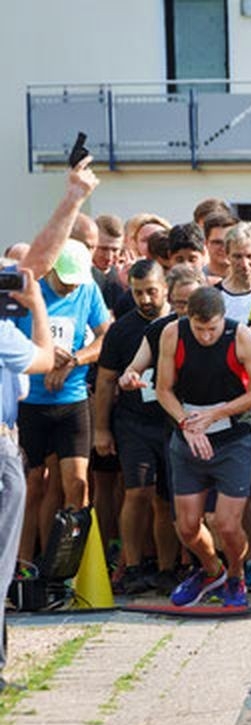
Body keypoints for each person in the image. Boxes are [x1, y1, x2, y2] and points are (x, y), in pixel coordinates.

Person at [2, 159, 98, 691]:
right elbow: (33, 274)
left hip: (33, 421)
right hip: (13, 432)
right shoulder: (10, 326)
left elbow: (32, 266)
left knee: (70, 486)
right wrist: (75, 198)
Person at [156, 287, 251, 607]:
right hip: (190, 433)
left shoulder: (240, 335)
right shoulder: (172, 333)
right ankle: (212, 571)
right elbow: (163, 390)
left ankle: (236, 575)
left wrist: (215, 415)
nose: (206, 336)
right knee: (187, 525)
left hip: (233, 435)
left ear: (224, 320)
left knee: (226, 523)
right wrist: (186, 424)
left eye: (212, 328)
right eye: (199, 328)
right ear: (188, 319)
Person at [17, 239, 111, 564]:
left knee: (78, 486)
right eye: (65, 281)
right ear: (51, 270)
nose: (70, 288)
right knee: (32, 485)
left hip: (72, 400)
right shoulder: (31, 293)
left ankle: (65, 568)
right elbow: (10, 342)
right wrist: (43, 356)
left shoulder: (87, 290)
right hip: (30, 402)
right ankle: (22, 565)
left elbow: (106, 335)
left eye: (75, 282)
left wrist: (75, 359)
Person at [94, 259, 176, 594]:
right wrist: (101, 429)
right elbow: (105, 381)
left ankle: (168, 568)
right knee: (137, 492)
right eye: (138, 292)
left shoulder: (180, 323)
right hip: (133, 423)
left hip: (173, 423)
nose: (145, 299)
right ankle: (133, 566)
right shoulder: (122, 329)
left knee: (166, 500)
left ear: (165, 288)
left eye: (151, 292)